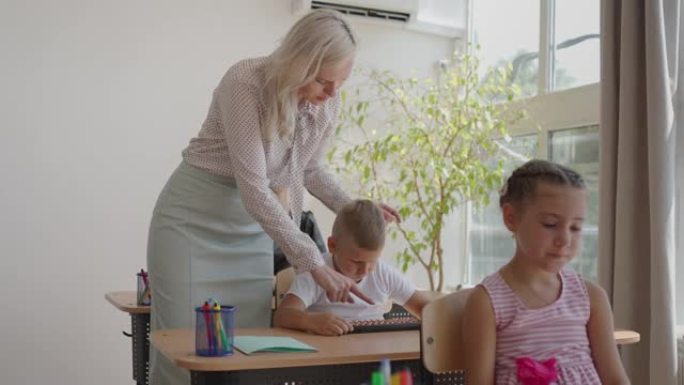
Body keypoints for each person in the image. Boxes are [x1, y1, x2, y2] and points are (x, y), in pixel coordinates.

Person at [146, 10, 399, 385]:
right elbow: (254, 186)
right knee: (184, 348)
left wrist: (353, 208)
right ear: (299, 61)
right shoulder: (245, 82)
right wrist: (312, 263)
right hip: (192, 220)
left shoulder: (326, 103)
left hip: (252, 228)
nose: (331, 94)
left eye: (340, 83)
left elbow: (310, 169)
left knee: (249, 350)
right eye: (324, 81)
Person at [462, 160, 630, 385]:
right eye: (550, 224)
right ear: (511, 218)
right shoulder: (488, 302)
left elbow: (616, 380)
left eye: (576, 227)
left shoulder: (591, 298)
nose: (565, 239)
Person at [274, 200, 431, 336]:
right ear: (333, 246)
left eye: (373, 261)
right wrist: (310, 321)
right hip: (330, 355)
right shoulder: (317, 272)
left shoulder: (384, 273)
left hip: (374, 355)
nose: (365, 270)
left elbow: (425, 308)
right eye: (356, 261)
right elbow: (282, 316)